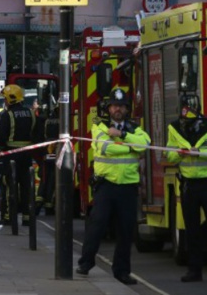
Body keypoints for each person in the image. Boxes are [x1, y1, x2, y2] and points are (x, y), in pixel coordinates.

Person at [76, 88, 150, 286]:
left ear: (126, 109)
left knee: (126, 231)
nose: (118, 109)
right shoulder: (99, 127)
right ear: (109, 108)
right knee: (97, 225)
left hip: (127, 187)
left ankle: (122, 272)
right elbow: (105, 148)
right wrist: (129, 146)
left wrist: (121, 135)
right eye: (115, 106)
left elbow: (144, 145)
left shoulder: (134, 128)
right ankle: (86, 263)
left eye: (122, 106)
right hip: (106, 185)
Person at [163, 93, 207, 283]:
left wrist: (199, 152)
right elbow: (169, 155)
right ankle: (194, 271)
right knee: (191, 230)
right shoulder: (175, 128)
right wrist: (179, 154)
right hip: (188, 186)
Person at [0, 84, 43, 227]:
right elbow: (38, 135)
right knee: (27, 186)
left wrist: (1, 151)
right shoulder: (31, 114)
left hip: (10, 157)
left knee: (10, 186)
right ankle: (27, 217)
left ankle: (9, 216)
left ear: (11, 99)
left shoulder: (7, 115)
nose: (5, 102)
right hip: (27, 156)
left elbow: (0, 135)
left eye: (5, 99)